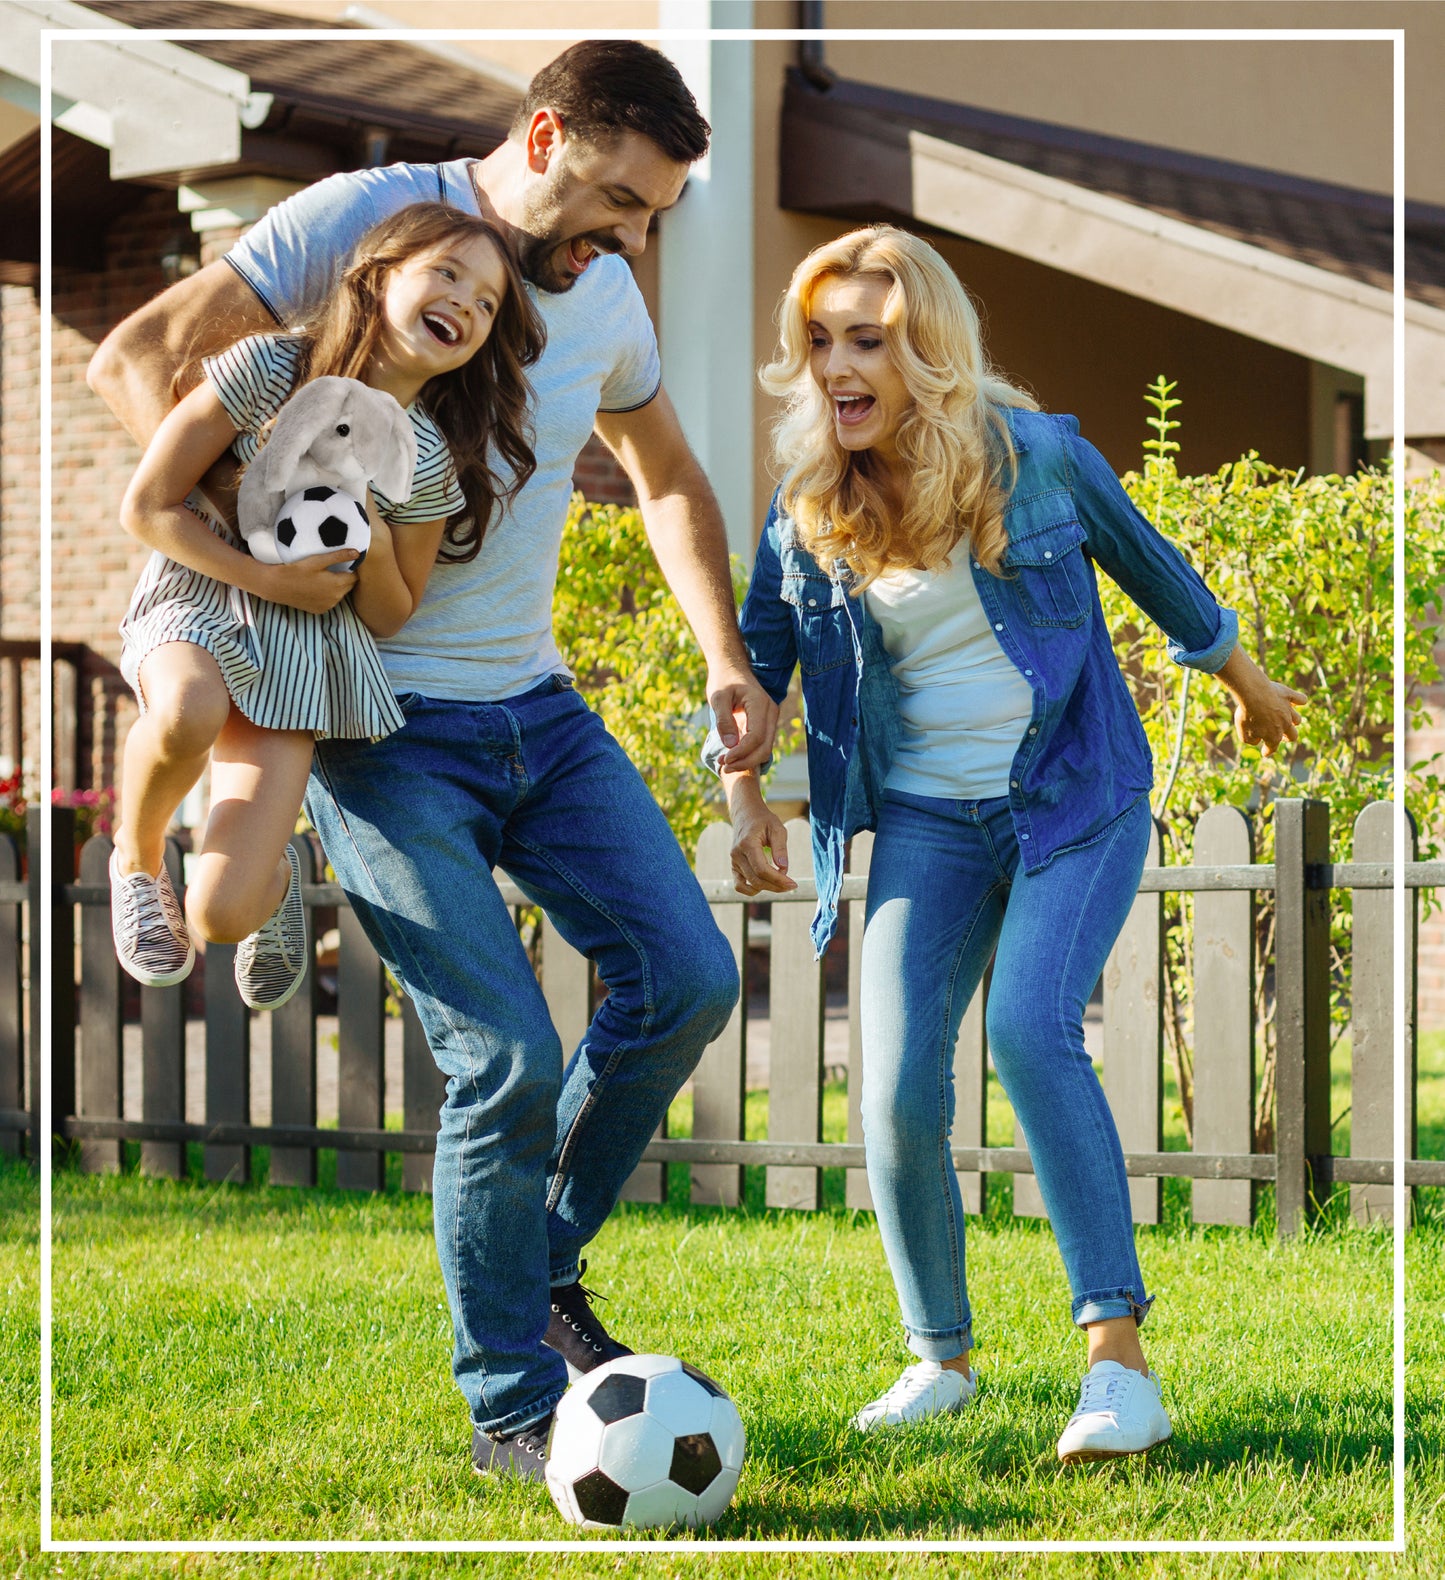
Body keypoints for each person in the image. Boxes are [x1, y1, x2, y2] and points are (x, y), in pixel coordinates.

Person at [88, 41, 777, 1481]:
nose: (629, 238)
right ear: (545, 136)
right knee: (503, 1058)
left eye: (653, 215)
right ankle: (512, 1404)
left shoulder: (601, 294)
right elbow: (139, 359)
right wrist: (271, 542)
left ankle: (535, 1267)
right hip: (376, 726)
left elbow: (663, 476)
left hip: (538, 709)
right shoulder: (362, 221)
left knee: (688, 980)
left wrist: (724, 653)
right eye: (617, 199)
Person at [715, 225, 1305, 1464]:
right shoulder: (810, 500)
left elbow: (1153, 568)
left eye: (865, 340)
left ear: (925, 347)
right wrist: (744, 795)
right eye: (817, 342)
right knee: (890, 1083)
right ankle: (938, 1357)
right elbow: (754, 665)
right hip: (927, 817)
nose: (835, 366)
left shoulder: (1036, 458)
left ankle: (1117, 1366)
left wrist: (1246, 682)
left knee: (1032, 1029)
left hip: (1070, 793)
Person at [110, 203, 543, 1013]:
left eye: (486, 303)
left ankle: (273, 883)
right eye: (447, 273)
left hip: (303, 654)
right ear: (377, 277)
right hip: (203, 597)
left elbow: (390, 614)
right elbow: (148, 507)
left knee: (220, 914)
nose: (465, 301)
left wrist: (372, 538)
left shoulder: (425, 461)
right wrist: (265, 577)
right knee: (188, 708)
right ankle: (135, 861)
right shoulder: (269, 367)